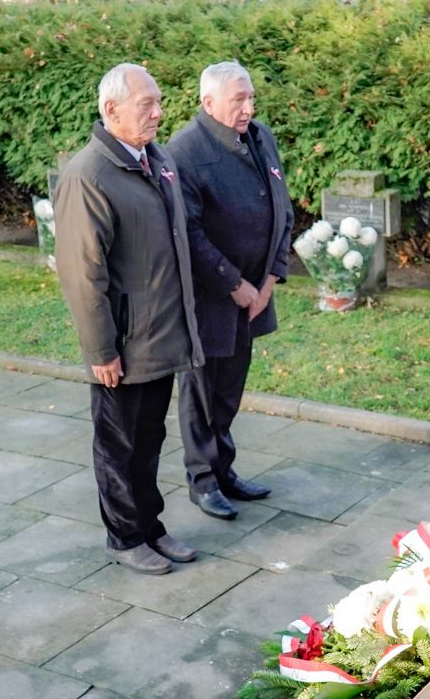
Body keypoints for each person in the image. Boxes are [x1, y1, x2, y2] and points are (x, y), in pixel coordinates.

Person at [53, 62, 205, 575]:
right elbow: (83, 274)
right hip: (122, 343)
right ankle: (124, 537)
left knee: (149, 441)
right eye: (147, 104)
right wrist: (101, 350)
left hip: (160, 336)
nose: (159, 113)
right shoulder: (88, 176)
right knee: (118, 447)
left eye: (158, 102)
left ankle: (150, 526)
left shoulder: (155, 160)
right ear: (111, 109)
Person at [167, 61, 292, 520]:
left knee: (230, 389)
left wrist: (270, 279)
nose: (248, 108)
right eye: (238, 99)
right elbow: (188, 231)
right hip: (210, 299)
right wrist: (235, 284)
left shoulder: (260, 137)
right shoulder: (184, 150)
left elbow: (282, 207)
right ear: (208, 102)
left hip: (255, 295)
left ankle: (223, 470)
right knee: (202, 392)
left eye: (251, 97)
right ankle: (202, 480)